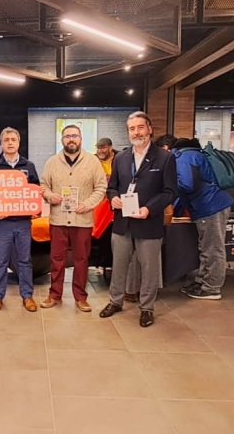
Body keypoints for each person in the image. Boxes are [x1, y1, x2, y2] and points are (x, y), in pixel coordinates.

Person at [98, 112, 177, 327]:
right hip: (122, 223)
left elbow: (170, 191)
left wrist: (149, 209)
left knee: (149, 269)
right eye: (132, 129)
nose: (136, 132)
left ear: (149, 129)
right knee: (118, 265)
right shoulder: (121, 158)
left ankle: (147, 308)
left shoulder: (165, 157)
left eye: (140, 127)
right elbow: (112, 187)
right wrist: (113, 198)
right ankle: (115, 301)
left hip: (149, 223)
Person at [39, 124, 108, 312]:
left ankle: (81, 297)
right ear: (62, 140)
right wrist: (50, 196)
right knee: (56, 259)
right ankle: (54, 294)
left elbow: (101, 187)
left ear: (81, 139)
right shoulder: (52, 162)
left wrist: (88, 204)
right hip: (58, 219)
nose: (71, 139)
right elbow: (43, 186)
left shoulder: (92, 162)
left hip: (82, 219)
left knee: (81, 259)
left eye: (75, 136)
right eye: (67, 136)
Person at [172, 137, 234, 301]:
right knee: (206, 247)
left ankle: (211, 288)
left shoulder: (182, 157)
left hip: (210, 206)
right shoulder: (195, 154)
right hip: (212, 205)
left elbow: (187, 184)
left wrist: (171, 190)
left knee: (213, 248)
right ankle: (201, 282)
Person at [0, 127, 40, 312]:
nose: (10, 143)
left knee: (24, 260)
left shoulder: (29, 166)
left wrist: (35, 209)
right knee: (1, 260)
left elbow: (35, 191)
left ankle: (27, 295)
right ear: (1, 144)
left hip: (23, 221)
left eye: (13, 140)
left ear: (18, 143)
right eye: (6, 140)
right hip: (2, 223)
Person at [89, 138, 115, 281]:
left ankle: (109, 265)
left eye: (103, 147)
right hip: (97, 204)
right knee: (97, 234)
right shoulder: (92, 161)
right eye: (98, 148)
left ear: (110, 147)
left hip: (114, 205)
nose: (100, 151)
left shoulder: (120, 159)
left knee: (110, 234)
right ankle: (99, 263)